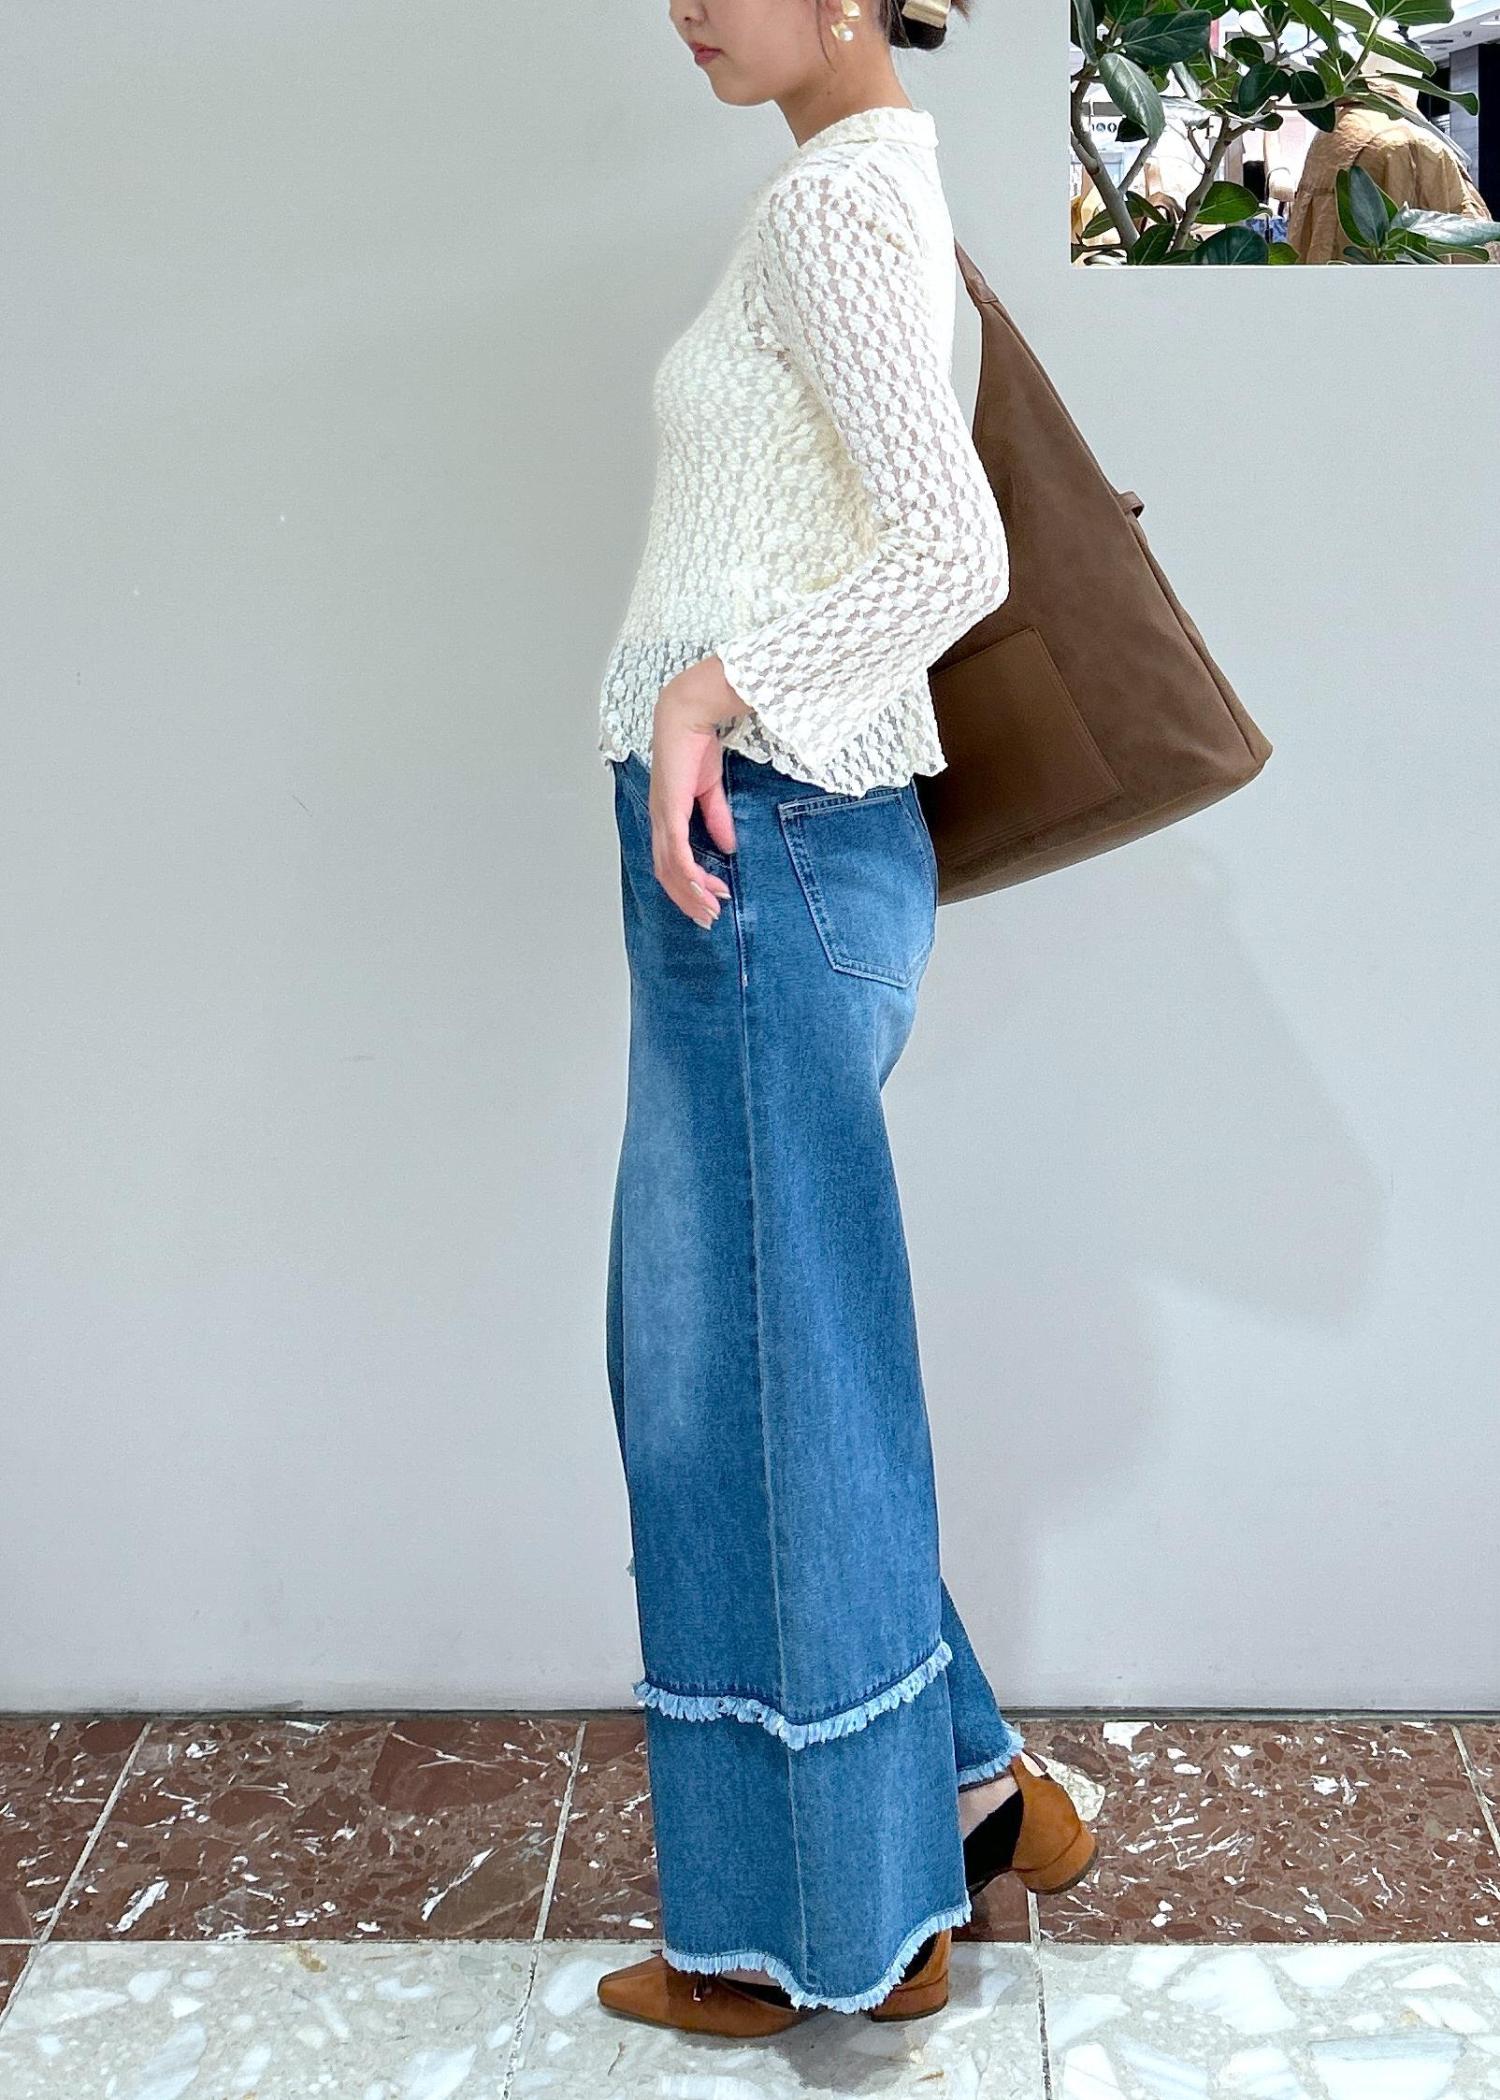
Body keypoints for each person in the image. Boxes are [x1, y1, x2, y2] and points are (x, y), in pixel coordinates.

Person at [594, 0, 1097, 2038]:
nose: (685, 7)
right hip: (779, 846)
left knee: (743, 1383)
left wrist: (710, 690)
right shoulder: (850, 190)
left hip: (766, 836)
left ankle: (829, 1931)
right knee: (759, 1363)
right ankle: (965, 1792)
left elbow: (952, 546)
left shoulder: (842, 205)